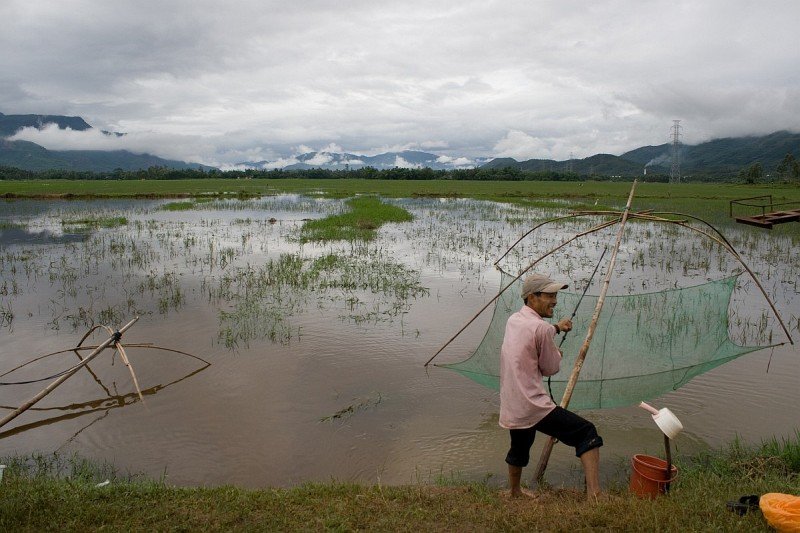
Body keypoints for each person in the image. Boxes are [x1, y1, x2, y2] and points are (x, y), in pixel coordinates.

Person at [499, 272, 603, 501]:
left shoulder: (514, 320)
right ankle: (595, 496)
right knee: (587, 433)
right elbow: (549, 368)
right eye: (550, 295)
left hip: (513, 403)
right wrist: (557, 354)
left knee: (519, 446)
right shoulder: (542, 329)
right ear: (532, 297)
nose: (555, 300)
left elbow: (535, 332)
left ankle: (514, 493)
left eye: (555, 295)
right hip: (533, 404)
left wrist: (556, 327)